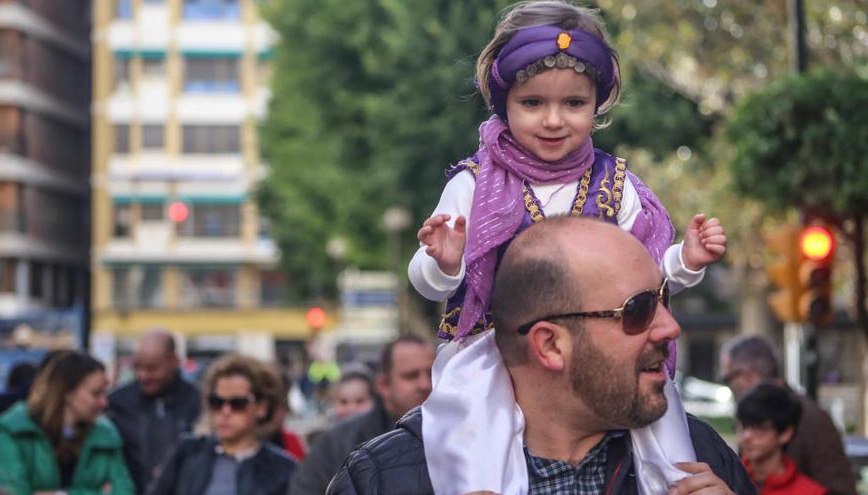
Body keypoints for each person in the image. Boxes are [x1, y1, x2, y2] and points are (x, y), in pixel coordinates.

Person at [406, 1, 726, 492]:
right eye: (533, 103)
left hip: (603, 350)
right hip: (494, 343)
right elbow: (427, 282)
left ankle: (675, 484)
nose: (554, 120)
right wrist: (445, 264)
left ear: (597, 103)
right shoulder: (475, 184)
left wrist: (686, 259)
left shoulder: (616, 185)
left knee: (660, 411)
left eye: (573, 104)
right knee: (472, 418)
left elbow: (648, 274)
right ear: (503, 101)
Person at [330, 217, 752, 494]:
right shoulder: (385, 479)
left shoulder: (697, 458)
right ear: (549, 345)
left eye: (664, 300)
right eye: (638, 310)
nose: (669, 327)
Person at [287, 334, 434, 495]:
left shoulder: (455, 433)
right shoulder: (335, 443)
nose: (425, 384)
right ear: (384, 385)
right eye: (411, 376)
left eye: (432, 374)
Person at [720, 335, 856, 495]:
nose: (747, 437)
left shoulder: (811, 418)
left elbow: (841, 488)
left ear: (746, 375)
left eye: (727, 379)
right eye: (744, 427)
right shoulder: (736, 473)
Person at [148, 353, 298, 495]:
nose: (225, 412)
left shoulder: (282, 470)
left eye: (238, 404)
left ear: (261, 408)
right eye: (217, 402)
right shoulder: (188, 452)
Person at [0, 351, 134, 494]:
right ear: (67, 392)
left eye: (105, 393)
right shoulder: (16, 429)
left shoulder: (106, 434)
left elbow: (124, 491)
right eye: (96, 393)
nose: (104, 402)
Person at [107, 329, 201, 492]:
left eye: (152, 368)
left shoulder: (198, 402)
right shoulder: (117, 403)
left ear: (174, 361)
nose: (143, 375)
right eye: (137, 367)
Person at [737, 383, 827, 495]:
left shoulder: (811, 492)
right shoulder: (727, 478)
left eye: (759, 429)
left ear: (785, 433)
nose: (747, 436)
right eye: (744, 426)